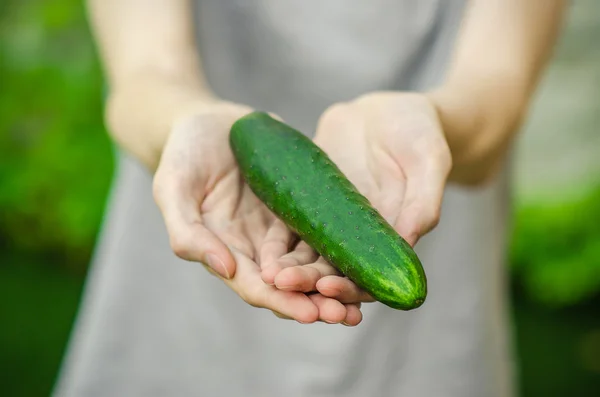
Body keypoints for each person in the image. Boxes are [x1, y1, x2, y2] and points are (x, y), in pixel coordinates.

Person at [53, 1, 567, 396]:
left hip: (424, 285)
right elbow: (144, 77)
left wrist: (437, 123)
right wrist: (181, 120)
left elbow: (496, 93)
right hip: (204, 245)